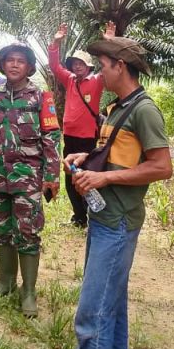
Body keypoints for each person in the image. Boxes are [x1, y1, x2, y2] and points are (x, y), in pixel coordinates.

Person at [53, 35, 172, 349]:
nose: (98, 72)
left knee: (92, 313)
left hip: (118, 222)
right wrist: (87, 157)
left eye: (102, 65)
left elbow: (161, 167)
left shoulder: (145, 110)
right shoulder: (117, 108)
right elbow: (118, 155)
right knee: (112, 307)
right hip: (104, 219)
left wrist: (104, 179)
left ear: (120, 66)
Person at [0, 43, 60, 318]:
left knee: (27, 231)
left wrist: (52, 176)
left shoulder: (41, 98)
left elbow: (52, 138)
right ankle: (5, 283)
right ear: (3, 65)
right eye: (10, 60)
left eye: (20, 61)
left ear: (29, 67)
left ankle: (28, 291)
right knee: (1, 229)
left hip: (28, 178)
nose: (15, 64)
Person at [48, 22, 113, 229]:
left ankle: (92, 216)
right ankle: (78, 217)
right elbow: (54, 66)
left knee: (86, 175)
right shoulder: (70, 80)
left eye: (81, 63)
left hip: (87, 138)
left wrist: (110, 42)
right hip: (69, 136)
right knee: (70, 174)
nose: (77, 66)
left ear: (89, 66)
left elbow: (110, 66)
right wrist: (56, 43)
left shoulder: (97, 81)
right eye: (75, 63)